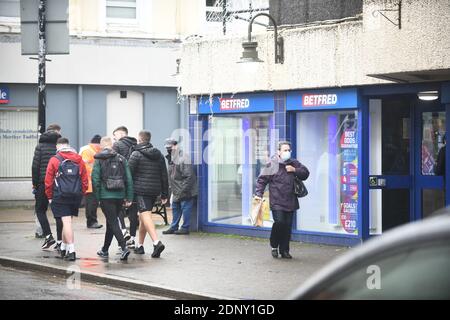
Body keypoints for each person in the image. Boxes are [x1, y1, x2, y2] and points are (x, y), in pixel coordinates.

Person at [254, 141, 309, 259]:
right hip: (277, 200)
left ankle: (284, 250)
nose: (287, 152)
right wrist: (259, 194)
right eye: (285, 150)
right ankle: (274, 245)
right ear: (278, 152)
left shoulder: (294, 163)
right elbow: (262, 180)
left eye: (289, 150)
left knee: (287, 226)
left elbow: (305, 173)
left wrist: (295, 170)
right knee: (279, 223)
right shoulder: (272, 165)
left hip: (290, 200)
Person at [45, 138, 88, 261]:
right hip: (75, 195)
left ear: (58, 147)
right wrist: (82, 193)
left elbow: (48, 181)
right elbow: (84, 178)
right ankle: (64, 248)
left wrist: (49, 196)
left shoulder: (54, 159)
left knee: (66, 222)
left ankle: (72, 250)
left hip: (60, 195)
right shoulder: (78, 159)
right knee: (67, 221)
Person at [92, 136, 133, 261]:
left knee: (113, 222)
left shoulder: (99, 159)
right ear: (112, 145)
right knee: (111, 222)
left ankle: (124, 247)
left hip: (106, 196)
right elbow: (129, 179)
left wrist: (98, 197)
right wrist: (129, 196)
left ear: (101, 145)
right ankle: (105, 249)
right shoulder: (121, 159)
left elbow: (95, 179)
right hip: (120, 196)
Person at [128, 130, 168, 257]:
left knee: (145, 216)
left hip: (140, 190)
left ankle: (156, 242)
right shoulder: (159, 154)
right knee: (143, 217)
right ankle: (140, 245)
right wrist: (165, 194)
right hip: (154, 190)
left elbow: (128, 174)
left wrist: (127, 193)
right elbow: (164, 175)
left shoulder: (136, 154)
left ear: (139, 140)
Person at [31, 123, 63, 250]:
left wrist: (35, 184)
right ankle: (60, 241)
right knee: (59, 213)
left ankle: (49, 236)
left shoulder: (40, 146)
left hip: (43, 183)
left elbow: (35, 166)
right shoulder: (60, 146)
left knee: (40, 210)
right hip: (59, 183)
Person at [162, 138, 197, 235]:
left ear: (176, 145)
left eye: (170, 147)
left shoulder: (183, 157)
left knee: (185, 208)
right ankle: (174, 227)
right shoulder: (172, 158)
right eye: (167, 147)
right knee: (175, 208)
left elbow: (189, 176)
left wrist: (183, 190)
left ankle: (185, 228)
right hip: (176, 189)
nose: (168, 149)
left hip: (185, 190)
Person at [112, 126, 138, 246]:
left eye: (115, 135)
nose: (114, 138)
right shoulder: (136, 144)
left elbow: (113, 163)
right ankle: (132, 238)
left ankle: (123, 231)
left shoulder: (117, 145)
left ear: (122, 134)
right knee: (133, 210)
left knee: (119, 208)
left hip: (121, 181)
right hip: (135, 181)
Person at [79, 134, 103, 229]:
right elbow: (85, 166)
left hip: (93, 180)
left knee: (93, 203)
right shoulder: (87, 151)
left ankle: (92, 221)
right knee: (91, 203)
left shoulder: (93, 150)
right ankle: (91, 222)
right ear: (97, 144)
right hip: (89, 181)